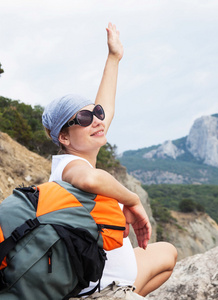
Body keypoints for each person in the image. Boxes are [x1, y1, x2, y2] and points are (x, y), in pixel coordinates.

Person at [41, 23, 177, 297]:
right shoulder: (69, 166)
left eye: (97, 113)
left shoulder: (82, 153)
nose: (97, 121)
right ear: (64, 137)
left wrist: (114, 57)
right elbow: (91, 179)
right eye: (83, 118)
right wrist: (132, 199)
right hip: (98, 290)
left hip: (112, 280)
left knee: (167, 254)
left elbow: (107, 107)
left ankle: (128, 290)